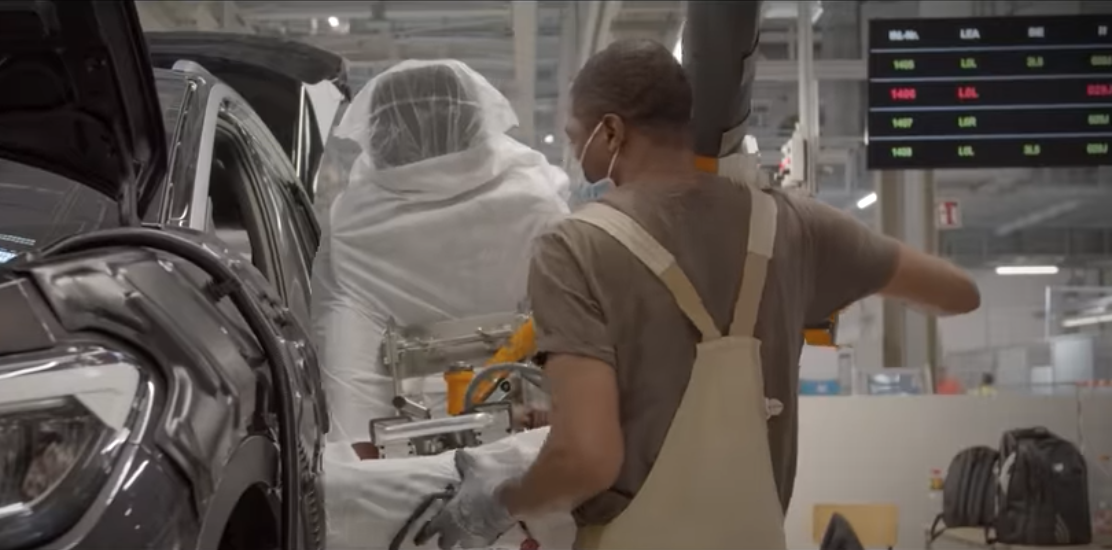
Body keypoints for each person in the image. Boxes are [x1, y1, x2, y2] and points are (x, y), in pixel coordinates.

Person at [418, 39, 981, 549]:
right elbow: (958, 294)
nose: (576, 154)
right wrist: (815, 288)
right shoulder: (794, 226)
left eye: (575, 138)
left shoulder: (575, 247)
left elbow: (586, 457)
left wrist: (494, 503)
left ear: (610, 132)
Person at [311, 60, 570, 460]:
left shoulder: (355, 222)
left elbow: (348, 355)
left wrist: (358, 458)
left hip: (409, 444)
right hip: (533, 432)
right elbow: (570, 321)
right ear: (473, 119)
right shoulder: (535, 199)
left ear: (381, 134)